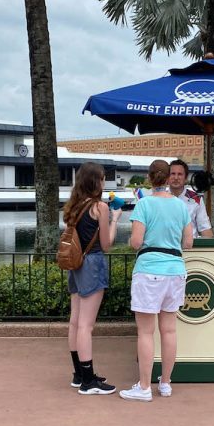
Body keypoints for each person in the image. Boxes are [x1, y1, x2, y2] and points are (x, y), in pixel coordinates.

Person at [119, 159, 193, 402]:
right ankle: (166, 383)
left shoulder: (144, 204)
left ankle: (144, 387)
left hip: (150, 269)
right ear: (168, 177)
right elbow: (188, 242)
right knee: (169, 330)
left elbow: (136, 242)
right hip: (175, 270)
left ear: (149, 178)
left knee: (145, 332)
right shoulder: (181, 206)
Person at [64, 162, 122, 395]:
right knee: (86, 326)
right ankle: (89, 382)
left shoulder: (74, 205)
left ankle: (79, 374)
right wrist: (115, 219)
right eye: (103, 178)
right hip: (92, 264)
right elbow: (106, 245)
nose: (104, 182)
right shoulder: (100, 207)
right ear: (96, 181)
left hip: (76, 264)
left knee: (75, 321)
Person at [168, 159, 214, 238]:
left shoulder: (196, 198)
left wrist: (212, 245)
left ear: (185, 178)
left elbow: (205, 229)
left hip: (191, 244)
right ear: (167, 177)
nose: (176, 177)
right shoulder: (159, 198)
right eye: (173, 174)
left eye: (180, 174)